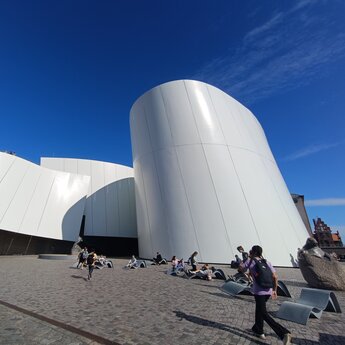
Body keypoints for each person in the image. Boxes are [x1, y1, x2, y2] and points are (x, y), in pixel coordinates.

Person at [239, 245, 291, 344]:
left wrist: (245, 259)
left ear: (252, 252)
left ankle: (283, 333)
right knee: (259, 309)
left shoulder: (250, 261)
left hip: (259, 292)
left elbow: (241, 269)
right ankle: (258, 329)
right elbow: (275, 277)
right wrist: (274, 290)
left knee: (263, 312)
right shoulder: (267, 262)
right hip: (269, 290)